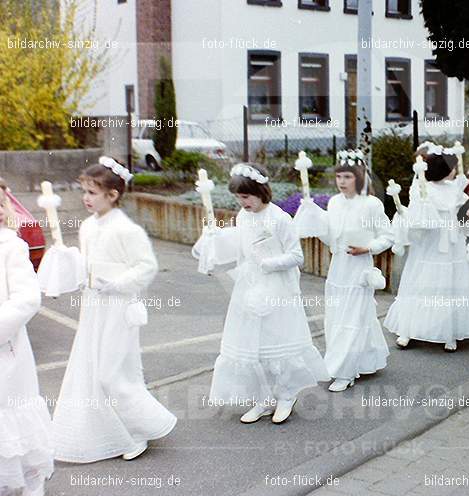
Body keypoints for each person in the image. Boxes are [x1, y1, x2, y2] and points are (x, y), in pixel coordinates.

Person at [52, 158, 177, 462]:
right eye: (84, 191)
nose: (86, 198)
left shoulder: (126, 229)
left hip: (118, 307)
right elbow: (87, 265)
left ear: (113, 195)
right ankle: (110, 432)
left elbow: (146, 267)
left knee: (113, 372)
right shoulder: (87, 226)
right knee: (93, 370)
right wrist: (69, 261)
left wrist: (117, 284)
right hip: (94, 306)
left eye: (93, 192)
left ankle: (140, 429)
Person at [205, 163, 330, 423]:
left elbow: (297, 256)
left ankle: (286, 395)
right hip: (250, 287)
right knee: (253, 345)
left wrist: (268, 263)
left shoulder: (280, 218)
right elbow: (241, 248)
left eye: (246, 196)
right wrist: (218, 239)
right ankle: (263, 398)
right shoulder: (243, 216)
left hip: (277, 290)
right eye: (238, 198)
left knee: (277, 343)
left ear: (261, 191)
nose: (242, 202)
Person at [296, 152, 393, 392]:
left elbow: (388, 236)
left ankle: (345, 371)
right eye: (339, 176)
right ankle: (363, 359)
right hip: (338, 268)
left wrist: (368, 247)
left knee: (353, 318)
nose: (342, 181)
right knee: (338, 318)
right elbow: (331, 237)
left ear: (359, 177)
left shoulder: (372, 204)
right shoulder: (334, 202)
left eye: (347, 176)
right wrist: (313, 216)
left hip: (359, 269)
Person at [384, 149, 469, 352]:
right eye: (453, 167)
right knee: (422, 282)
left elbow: (460, 217)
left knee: (451, 284)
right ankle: (409, 329)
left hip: (452, 245)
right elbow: (415, 218)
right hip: (430, 245)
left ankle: (450, 331)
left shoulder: (455, 189)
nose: (456, 171)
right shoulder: (422, 188)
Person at [0, 180, 53, 496]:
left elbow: (27, 298)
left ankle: (34, 479)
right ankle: (6, 481)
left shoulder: (10, 245)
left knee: (15, 411)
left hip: (8, 348)